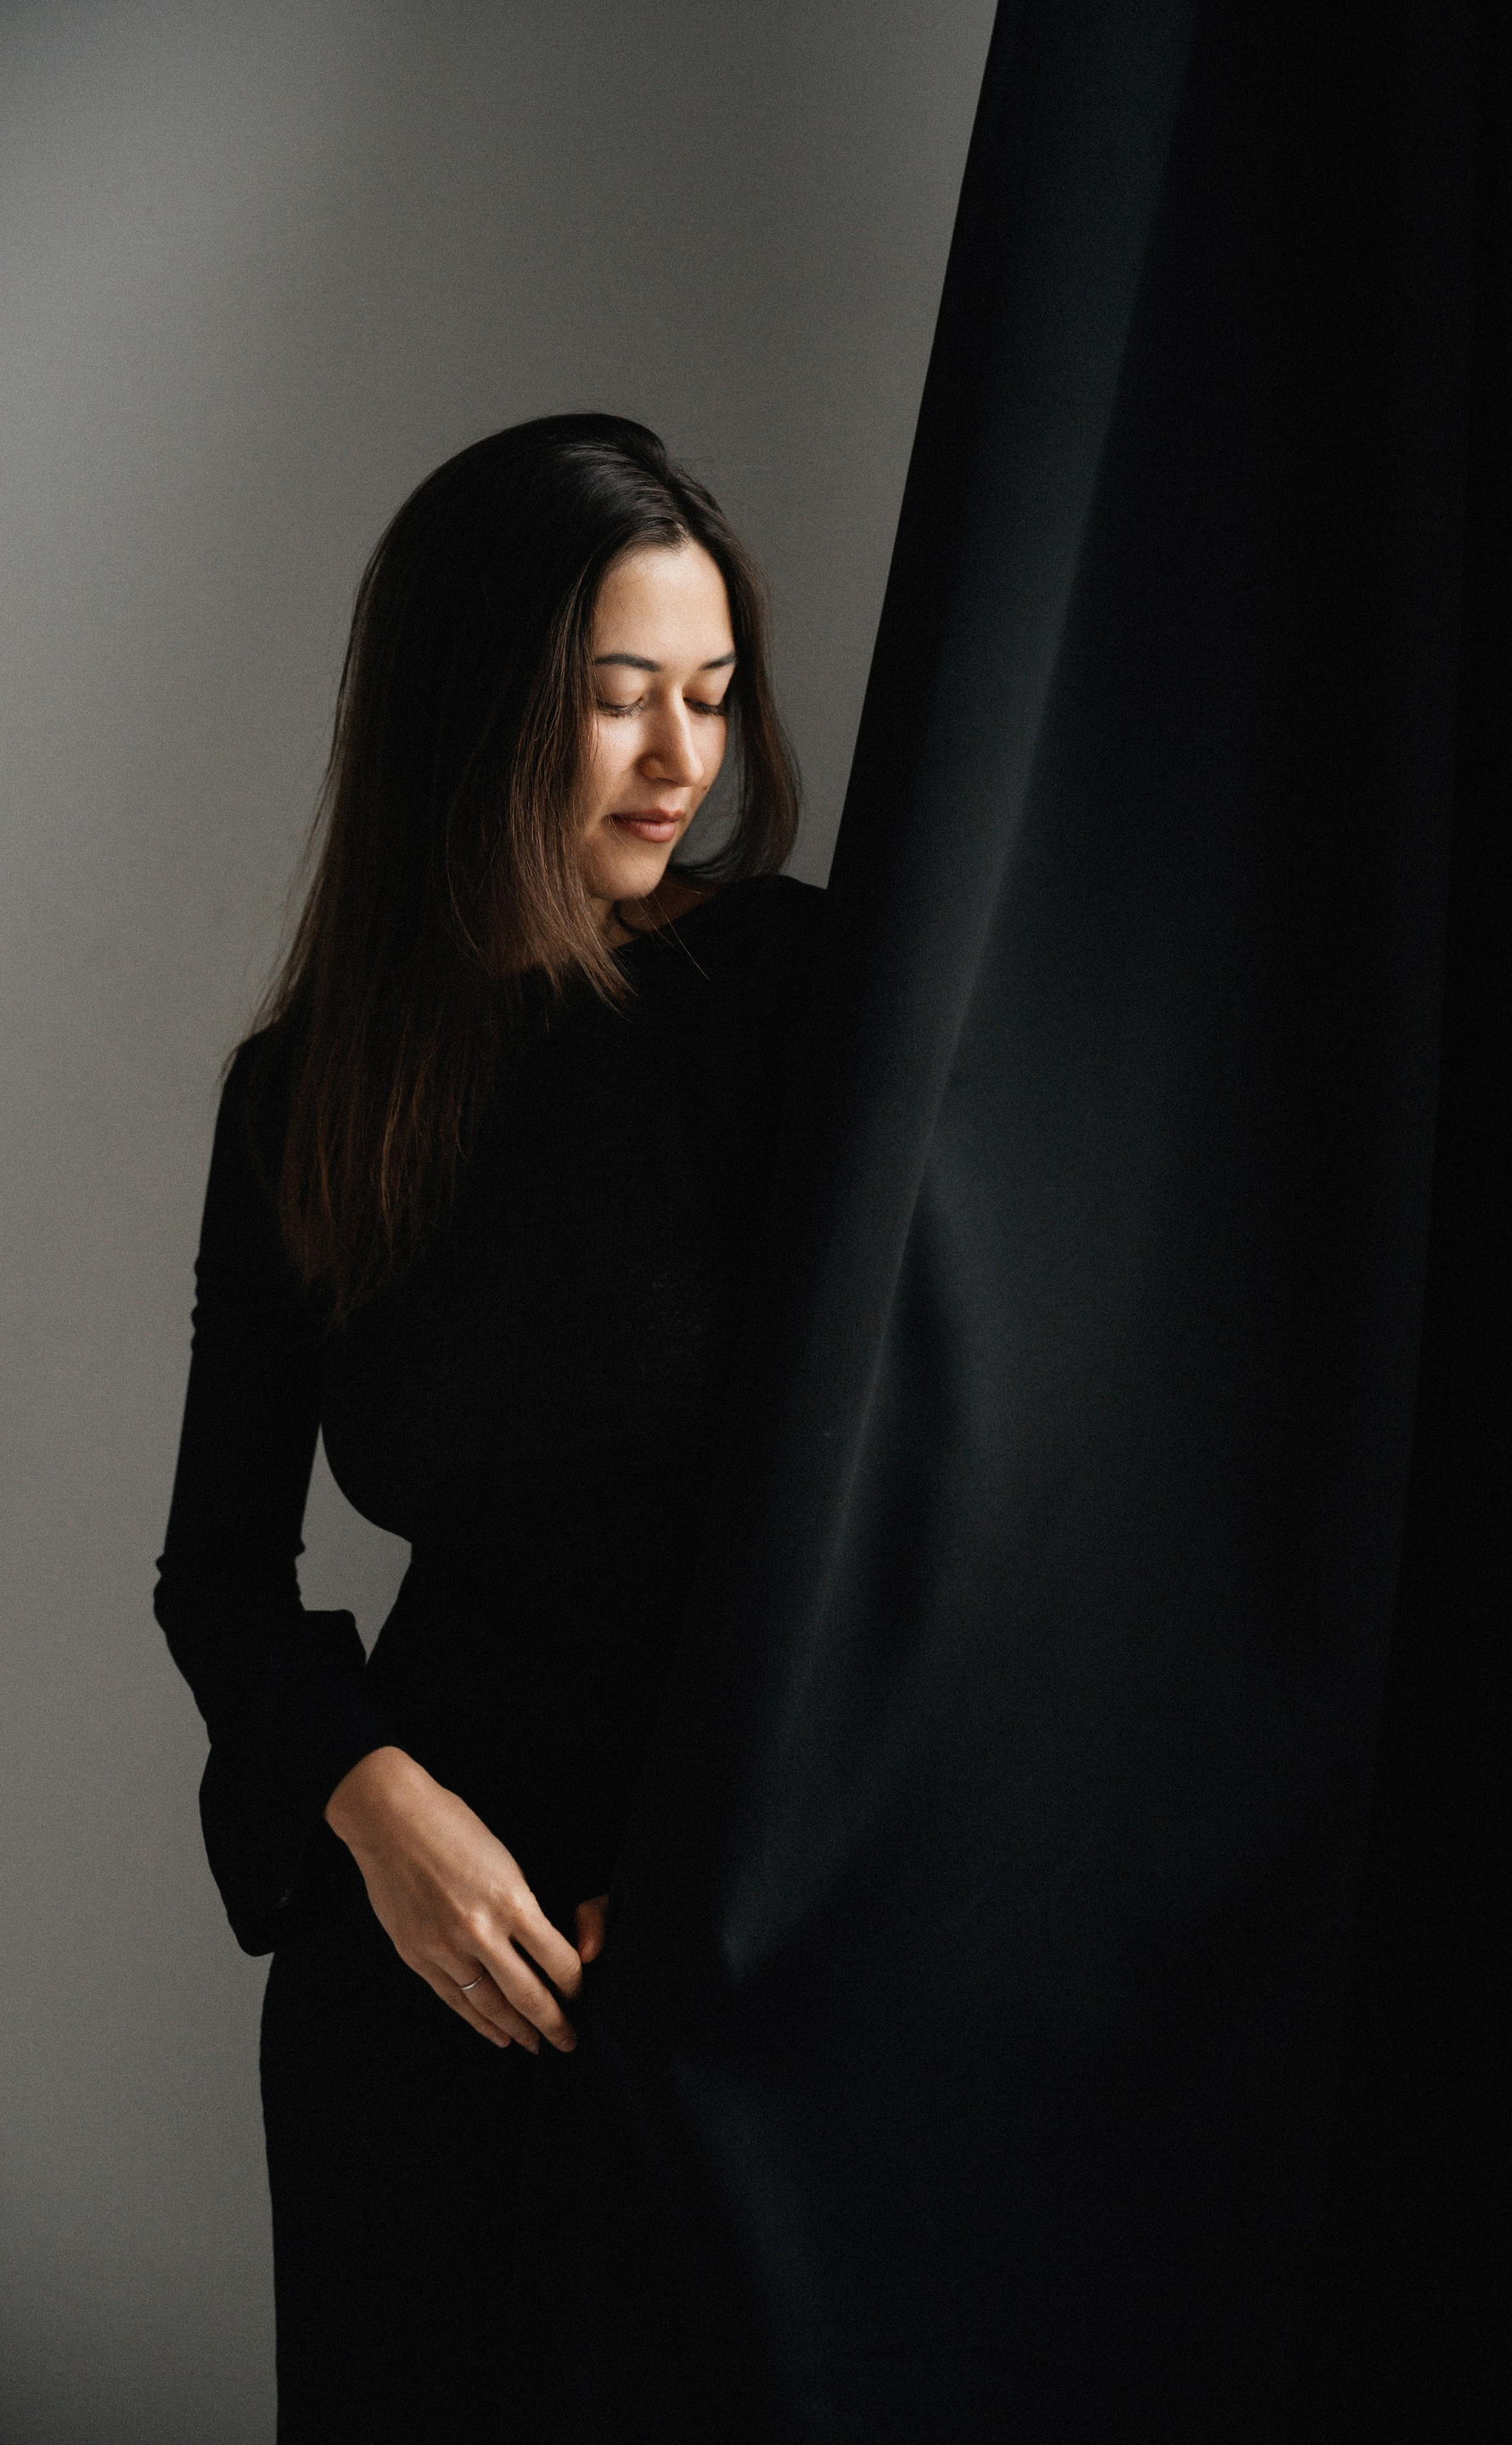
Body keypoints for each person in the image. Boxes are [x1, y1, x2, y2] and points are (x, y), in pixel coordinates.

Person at [154, 413, 821, 2440]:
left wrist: (715, 1872)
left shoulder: (800, 997)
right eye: (620, 699)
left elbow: (930, 1505)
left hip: (757, 1933)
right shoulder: (308, 1092)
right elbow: (216, 1573)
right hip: (427, 1962)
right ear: (474, 710)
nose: (683, 761)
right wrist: (377, 1808)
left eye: (712, 693)